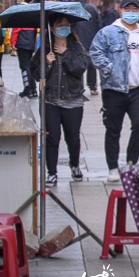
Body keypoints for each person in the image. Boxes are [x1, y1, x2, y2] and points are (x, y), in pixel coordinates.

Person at [89, 0, 139, 182]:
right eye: (128, 9)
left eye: (135, 9)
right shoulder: (108, 33)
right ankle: (112, 167)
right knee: (113, 129)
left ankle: (131, 162)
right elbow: (95, 52)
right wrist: (108, 68)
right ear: (120, 10)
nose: (131, 12)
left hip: (138, 90)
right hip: (114, 89)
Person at [31, 15, 89, 185]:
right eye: (59, 24)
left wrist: (66, 54)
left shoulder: (77, 47)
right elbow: (36, 75)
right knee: (51, 138)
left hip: (73, 101)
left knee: (73, 138)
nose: (63, 27)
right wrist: (47, 64)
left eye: (66, 24)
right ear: (52, 28)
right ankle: (52, 172)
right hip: (50, 101)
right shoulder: (44, 49)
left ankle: (74, 165)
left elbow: (80, 69)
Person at [72, 0, 101, 96]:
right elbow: (99, 25)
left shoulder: (73, 8)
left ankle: (79, 87)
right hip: (91, 40)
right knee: (91, 66)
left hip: (76, 40)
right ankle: (92, 87)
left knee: (77, 65)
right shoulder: (92, 8)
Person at [11, 0, 37, 98]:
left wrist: (13, 42)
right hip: (30, 41)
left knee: (24, 66)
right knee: (29, 66)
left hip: (22, 41)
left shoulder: (20, 9)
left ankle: (27, 90)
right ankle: (33, 89)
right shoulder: (32, 10)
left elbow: (17, 28)